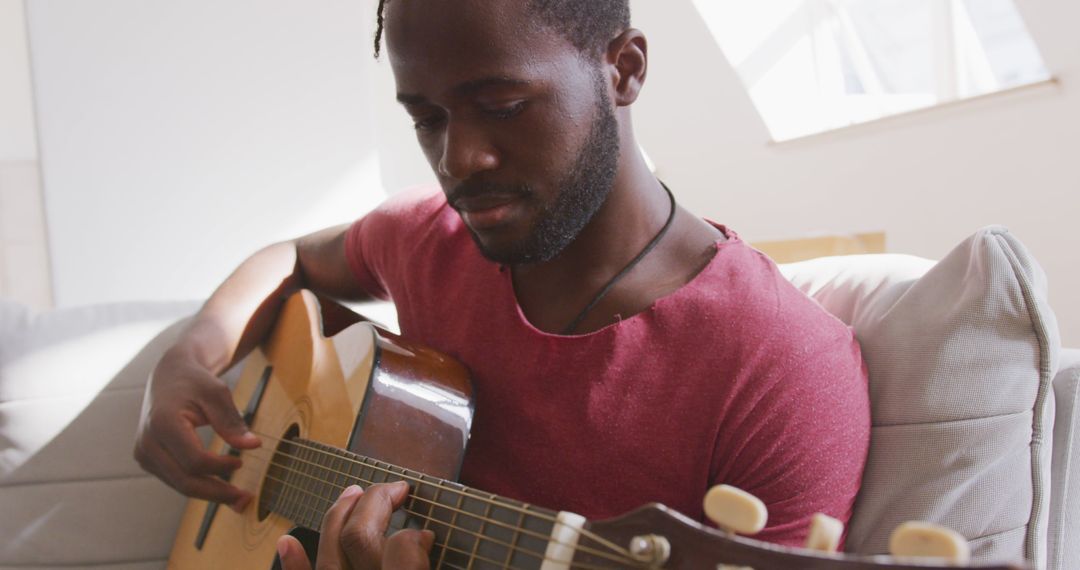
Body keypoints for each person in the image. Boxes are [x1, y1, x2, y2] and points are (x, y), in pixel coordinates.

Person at [134, 0, 871, 567]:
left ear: (624, 69)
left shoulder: (783, 373)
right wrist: (187, 359)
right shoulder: (429, 238)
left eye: (503, 107)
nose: (460, 159)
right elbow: (289, 257)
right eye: (427, 119)